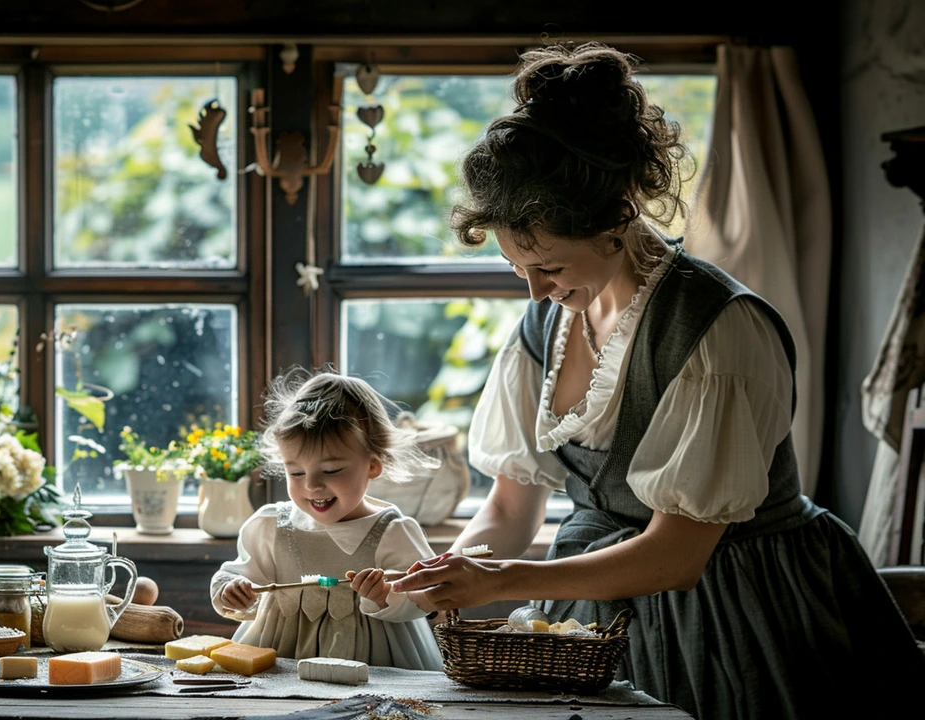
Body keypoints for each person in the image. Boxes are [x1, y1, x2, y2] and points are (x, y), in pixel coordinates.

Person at [389, 42, 925, 718]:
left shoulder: (717, 329)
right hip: (591, 613)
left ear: (616, 221)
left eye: (549, 266)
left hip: (739, 611)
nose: (534, 291)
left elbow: (676, 557)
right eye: (517, 267)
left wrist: (503, 581)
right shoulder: (543, 332)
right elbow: (509, 510)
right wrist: (438, 580)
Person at [210, 370, 444, 670]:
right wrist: (235, 591)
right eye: (295, 473)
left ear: (373, 465)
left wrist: (385, 597)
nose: (312, 486)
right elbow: (239, 575)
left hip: (375, 666)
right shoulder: (270, 527)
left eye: (331, 471)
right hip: (283, 661)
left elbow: (425, 596)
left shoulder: (393, 532)